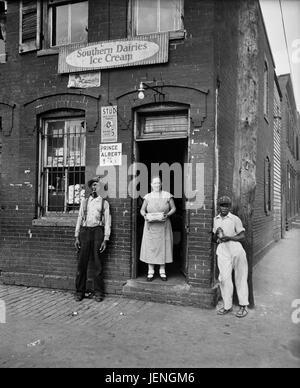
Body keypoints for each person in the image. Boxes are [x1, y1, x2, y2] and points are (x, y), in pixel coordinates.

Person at [74, 177, 111, 302]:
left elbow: (108, 223)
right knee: (81, 264)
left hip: (97, 232)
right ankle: (80, 291)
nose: (95, 187)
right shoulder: (85, 201)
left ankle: (99, 293)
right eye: (93, 185)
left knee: (98, 264)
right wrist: (76, 236)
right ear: (91, 187)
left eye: (98, 185)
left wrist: (105, 239)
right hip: (85, 232)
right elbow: (79, 218)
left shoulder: (104, 203)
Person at [213, 196, 249, 318]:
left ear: (230, 207)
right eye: (222, 205)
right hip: (223, 251)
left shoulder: (235, 219)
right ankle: (227, 306)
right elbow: (214, 239)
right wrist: (217, 234)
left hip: (236, 250)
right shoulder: (215, 219)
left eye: (226, 205)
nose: (224, 207)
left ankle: (243, 306)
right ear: (219, 206)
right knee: (224, 278)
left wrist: (230, 237)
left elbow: (243, 236)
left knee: (241, 277)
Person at [139, 176, 176, 281]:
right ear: (151, 185)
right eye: (155, 183)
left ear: (161, 184)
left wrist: (167, 215)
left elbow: (174, 208)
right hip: (150, 226)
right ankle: (150, 271)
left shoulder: (167, 195)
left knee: (163, 247)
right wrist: (145, 215)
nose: (157, 185)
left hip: (163, 225)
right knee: (151, 247)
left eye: (158, 183)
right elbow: (142, 210)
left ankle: (162, 271)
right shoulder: (147, 197)